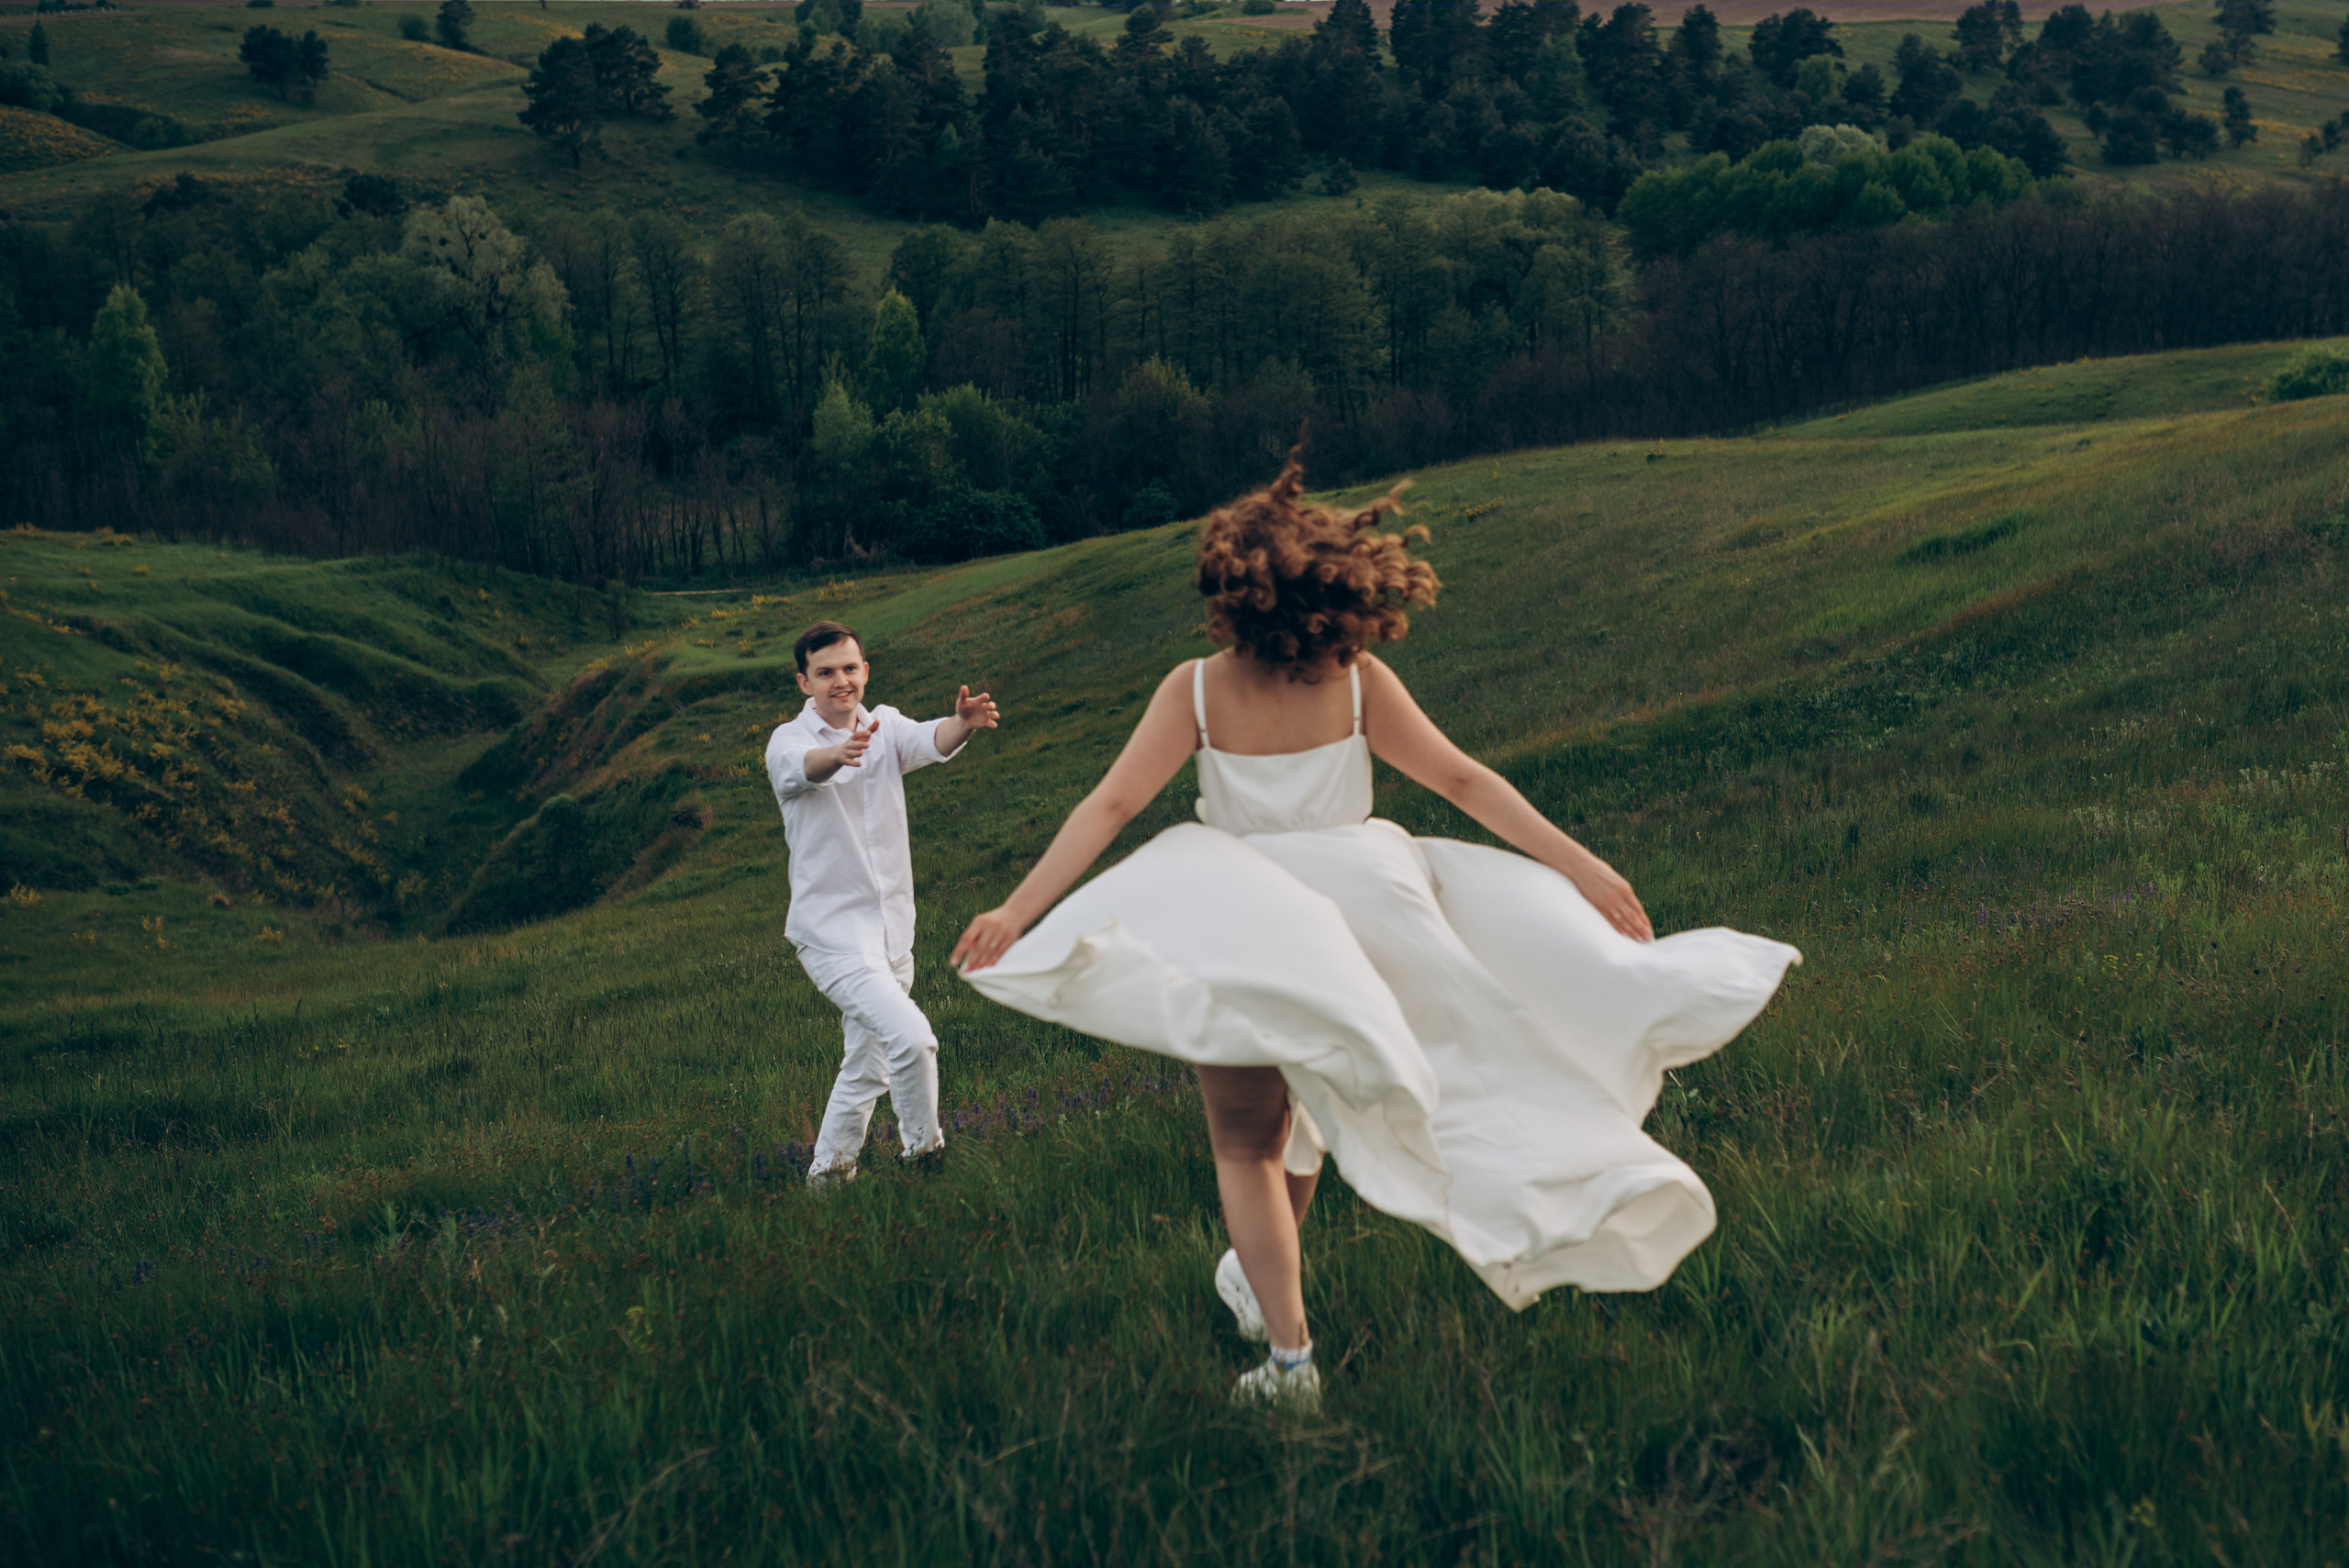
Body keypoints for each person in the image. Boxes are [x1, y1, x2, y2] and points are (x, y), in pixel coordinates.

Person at [952, 458, 1798, 1413]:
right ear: (1335, 583)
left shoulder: (1194, 689)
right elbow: (1466, 781)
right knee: (1324, 1100)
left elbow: (1109, 804)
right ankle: (1265, 1287)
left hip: (1241, 915)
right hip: (1364, 908)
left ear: (1229, 594)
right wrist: (1581, 865)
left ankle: (1288, 1360)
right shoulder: (1356, 683)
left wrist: (1016, 911)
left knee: (1247, 1142)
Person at [767, 619, 999, 1185]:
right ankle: (926, 1159)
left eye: (849, 669)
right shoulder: (789, 742)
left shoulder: (884, 725)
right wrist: (839, 753)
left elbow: (930, 739)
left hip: (895, 932)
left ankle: (828, 1178)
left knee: (867, 1064)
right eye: (825, 673)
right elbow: (805, 771)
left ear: (864, 672)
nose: (840, 681)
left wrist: (962, 725)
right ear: (805, 683)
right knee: (913, 1039)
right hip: (833, 936)